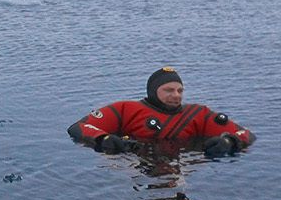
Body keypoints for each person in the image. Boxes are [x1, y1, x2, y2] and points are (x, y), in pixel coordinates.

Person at [67, 67, 253, 157]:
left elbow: (246, 134)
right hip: (135, 165)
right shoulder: (126, 109)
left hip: (183, 165)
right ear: (153, 91)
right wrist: (103, 139)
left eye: (180, 90)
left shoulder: (198, 114)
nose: (176, 95)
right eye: (169, 90)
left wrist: (229, 142)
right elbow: (79, 128)